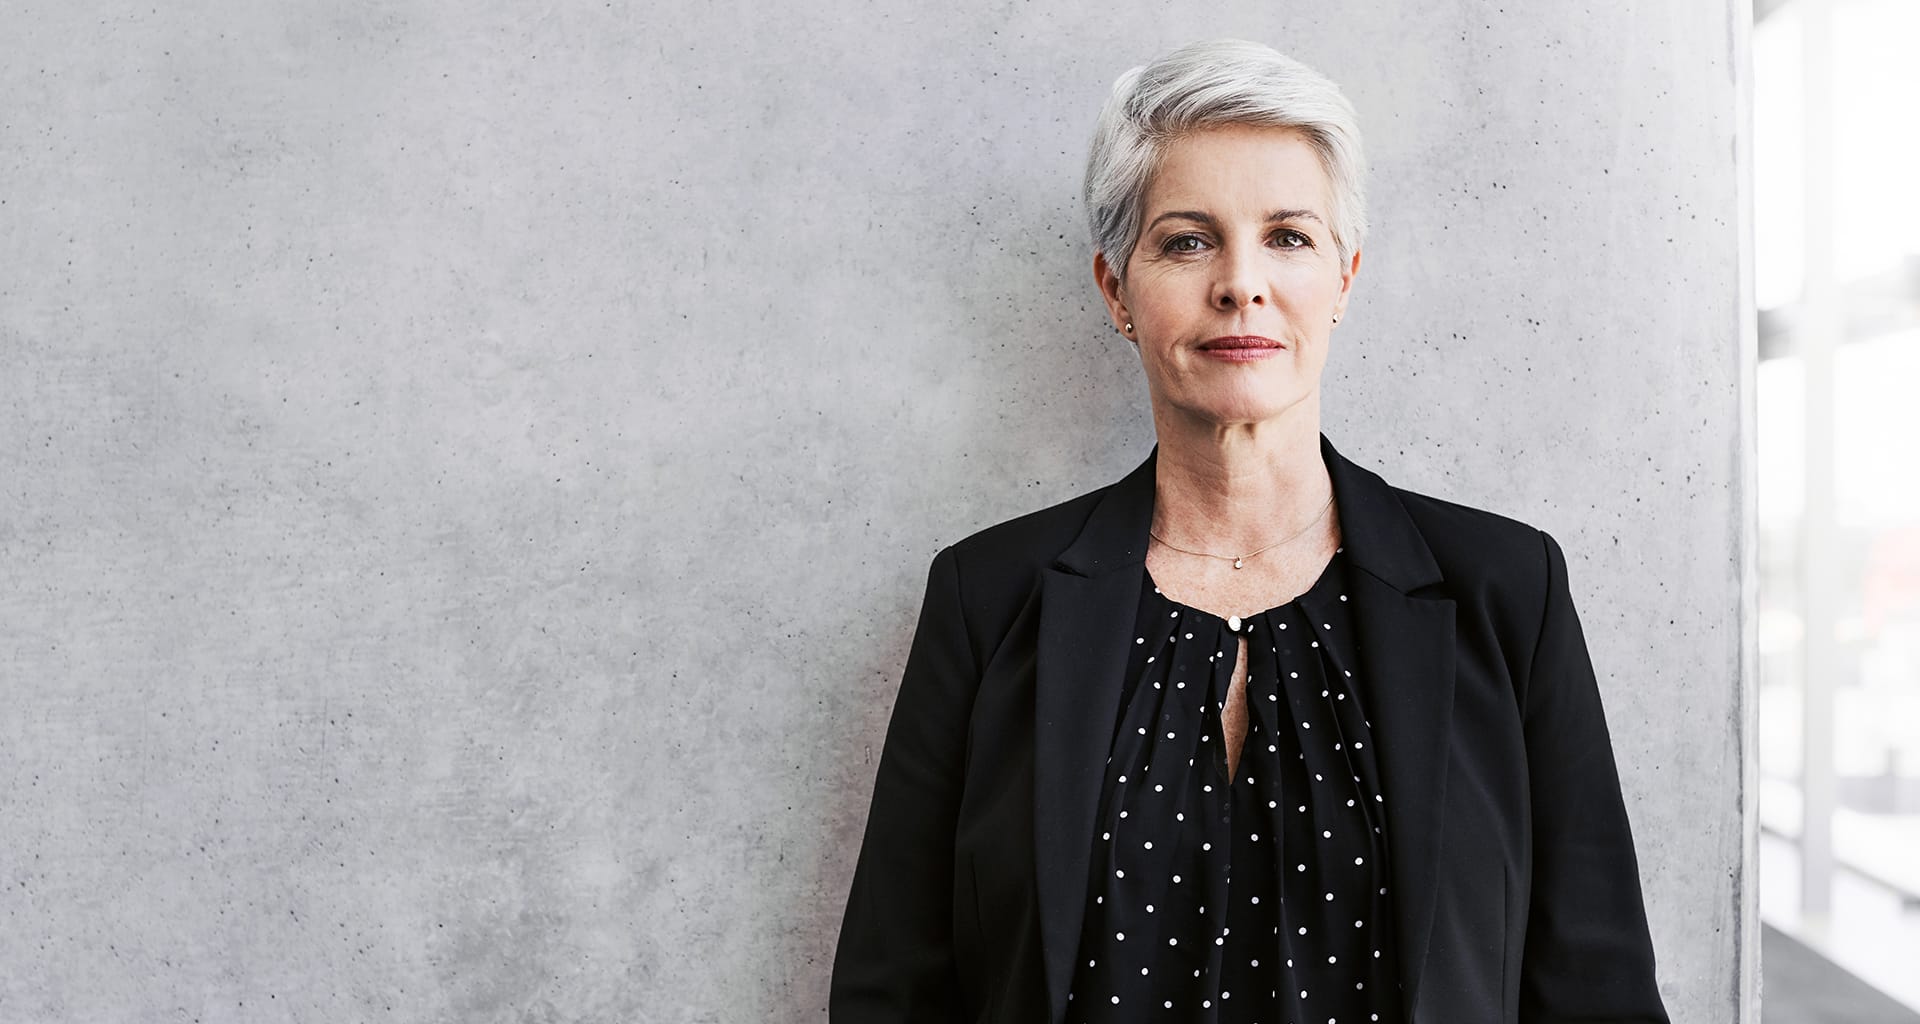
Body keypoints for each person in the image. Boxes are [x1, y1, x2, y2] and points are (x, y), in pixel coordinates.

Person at [829, 38, 1669, 1024]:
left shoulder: (1505, 590)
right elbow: (892, 991)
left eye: (1288, 237)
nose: (1240, 283)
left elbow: (1596, 994)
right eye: (1187, 240)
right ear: (1115, 289)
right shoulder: (988, 598)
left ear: (1345, 277)